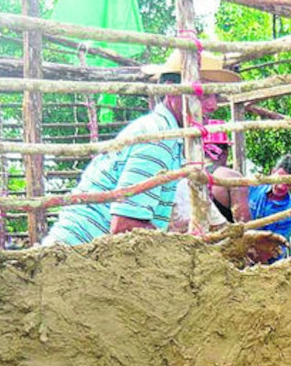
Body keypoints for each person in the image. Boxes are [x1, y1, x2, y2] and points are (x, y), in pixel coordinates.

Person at [44, 50, 240, 245]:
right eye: (203, 94)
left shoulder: (167, 137)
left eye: (215, 95)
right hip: (76, 257)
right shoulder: (158, 138)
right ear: (172, 90)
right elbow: (125, 226)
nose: (213, 105)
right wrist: (186, 250)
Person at [247, 154, 291, 244]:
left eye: (289, 184)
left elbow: (273, 246)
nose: (282, 187)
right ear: (273, 172)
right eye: (279, 180)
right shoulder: (253, 187)